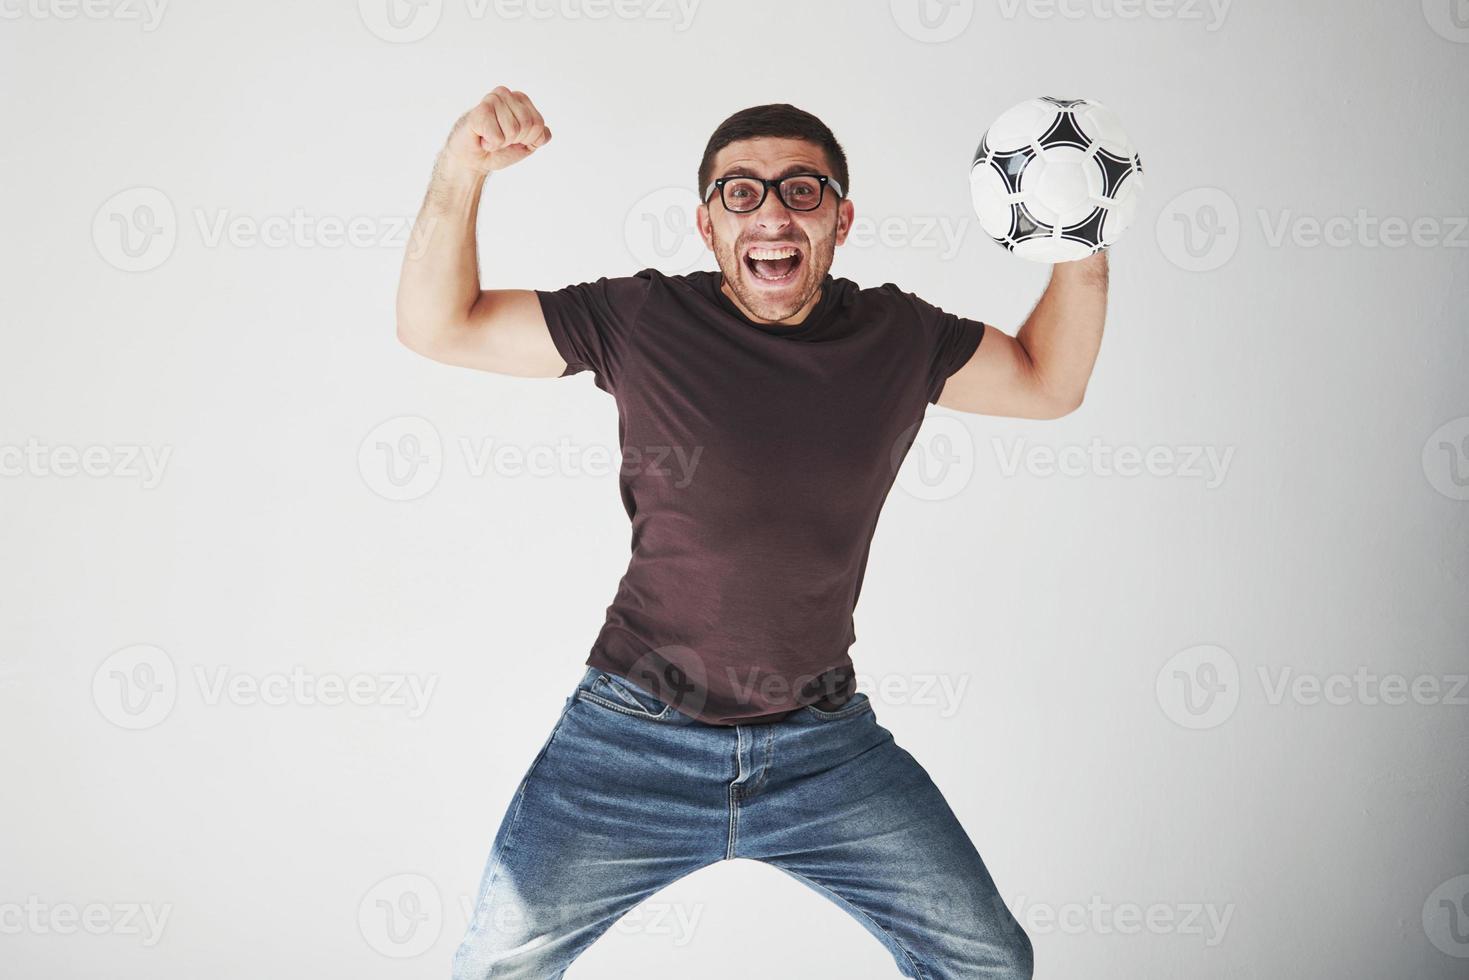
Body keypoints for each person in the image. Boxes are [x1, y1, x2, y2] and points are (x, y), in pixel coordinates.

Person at [397, 86, 1107, 979]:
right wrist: (461, 169)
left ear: (841, 219)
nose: (771, 212)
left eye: (800, 191)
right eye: (741, 192)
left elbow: (1049, 383)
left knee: (986, 960)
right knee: (495, 966)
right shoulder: (641, 320)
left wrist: (1082, 234)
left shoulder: (897, 334)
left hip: (823, 746)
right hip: (630, 738)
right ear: (706, 225)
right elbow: (436, 325)